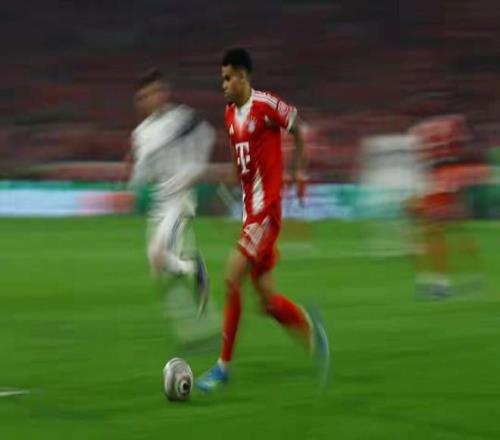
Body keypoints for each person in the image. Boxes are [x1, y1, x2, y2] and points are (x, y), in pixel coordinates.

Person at [196, 48, 330, 392]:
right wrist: (223, 192)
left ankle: (223, 368)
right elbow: (238, 162)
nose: (223, 84)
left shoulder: (265, 104)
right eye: (222, 78)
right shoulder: (229, 114)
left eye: (228, 78)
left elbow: (300, 129)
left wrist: (300, 172)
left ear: (243, 76)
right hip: (250, 215)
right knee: (268, 302)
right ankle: (311, 330)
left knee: (231, 276)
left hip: (266, 213)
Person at [129, 68, 214, 317]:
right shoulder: (140, 133)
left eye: (156, 92)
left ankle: (194, 269)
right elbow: (144, 170)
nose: (152, 98)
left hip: (179, 199)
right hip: (160, 201)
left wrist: (196, 168)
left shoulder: (181, 119)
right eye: (146, 95)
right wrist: (135, 182)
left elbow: (206, 135)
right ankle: (191, 267)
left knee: (158, 254)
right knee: (156, 263)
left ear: (164, 93)